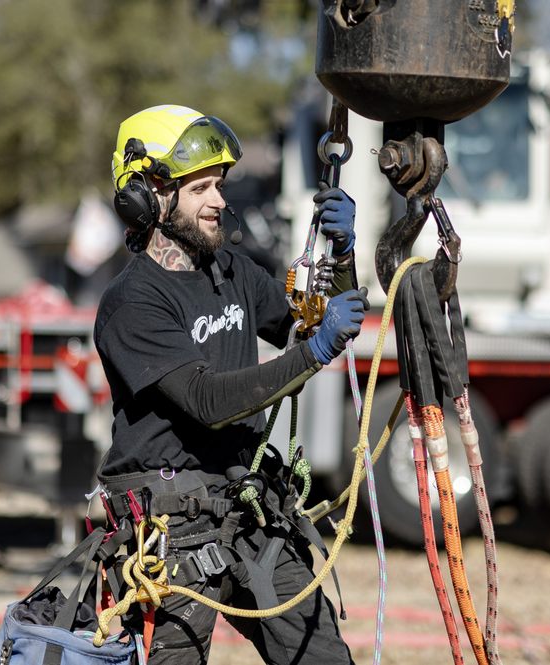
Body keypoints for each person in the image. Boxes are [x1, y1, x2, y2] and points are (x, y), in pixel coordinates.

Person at [94, 104, 365, 664]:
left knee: (324, 658)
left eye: (219, 184)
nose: (218, 200)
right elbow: (207, 400)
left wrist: (342, 257)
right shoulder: (132, 303)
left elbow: (316, 320)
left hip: (249, 510)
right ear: (147, 197)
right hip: (170, 528)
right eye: (200, 188)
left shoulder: (235, 272)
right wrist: (313, 352)